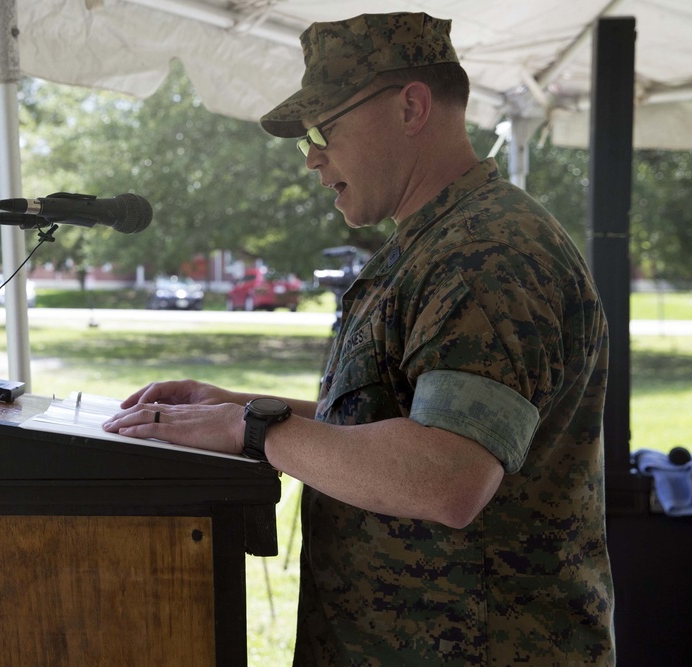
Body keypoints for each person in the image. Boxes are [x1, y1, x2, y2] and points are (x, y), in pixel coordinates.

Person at [104, 11, 615, 665]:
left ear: (410, 107)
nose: (313, 156)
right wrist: (237, 406)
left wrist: (252, 430)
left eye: (325, 128)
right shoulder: (434, 242)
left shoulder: (489, 248)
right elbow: (386, 426)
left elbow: (446, 474)